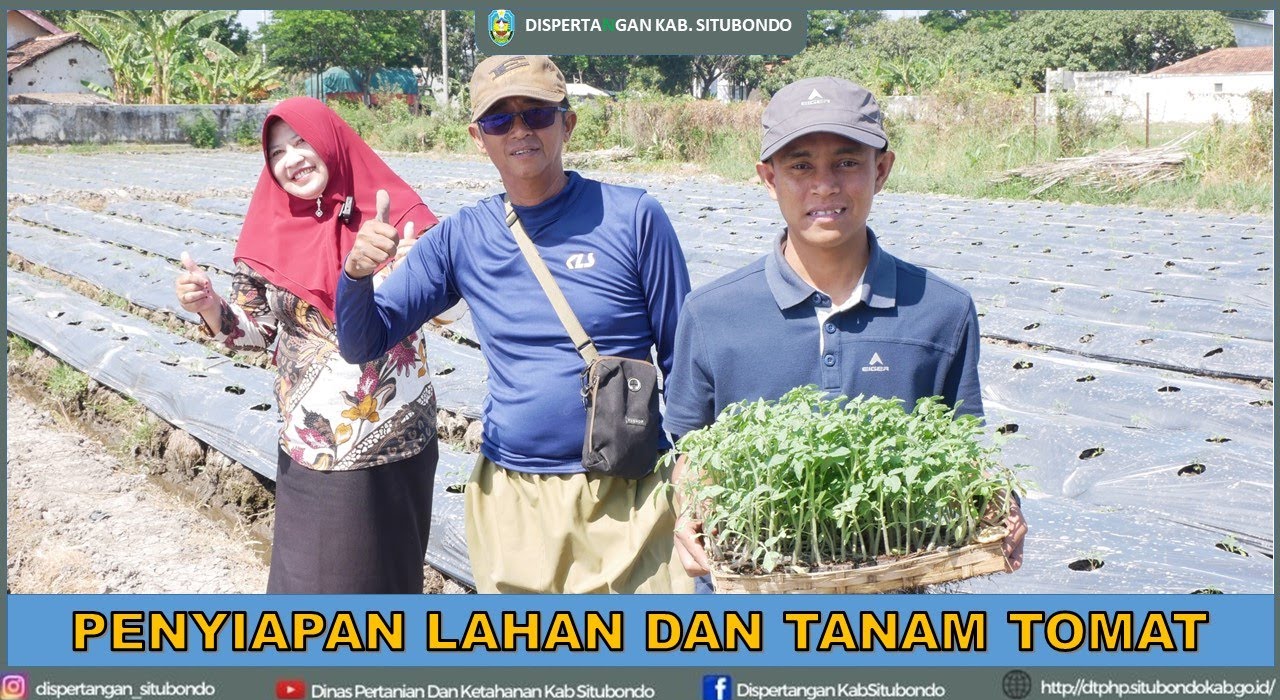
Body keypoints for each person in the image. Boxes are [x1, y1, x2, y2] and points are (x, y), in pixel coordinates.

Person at [336, 55, 694, 594]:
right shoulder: (463, 236)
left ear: (566, 124)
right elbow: (363, 341)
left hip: (631, 494)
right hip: (514, 495)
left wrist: (693, 469)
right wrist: (356, 275)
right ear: (479, 138)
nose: (520, 130)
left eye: (537, 115)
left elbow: (685, 356)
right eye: (501, 120)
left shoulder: (634, 217)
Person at [663, 76, 1028, 581]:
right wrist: (687, 512)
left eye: (847, 162)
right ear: (768, 178)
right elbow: (691, 455)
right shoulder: (711, 313)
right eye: (800, 165)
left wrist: (996, 503)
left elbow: (964, 451)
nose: (825, 184)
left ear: (883, 169)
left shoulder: (943, 310)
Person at [174, 97, 441, 593]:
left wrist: (418, 272)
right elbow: (255, 330)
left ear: (332, 142)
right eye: (277, 153)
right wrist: (209, 305)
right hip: (316, 446)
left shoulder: (395, 215)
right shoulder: (269, 227)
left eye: (301, 143)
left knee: (392, 581)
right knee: (312, 586)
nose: (291, 159)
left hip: (399, 441)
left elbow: (452, 310)